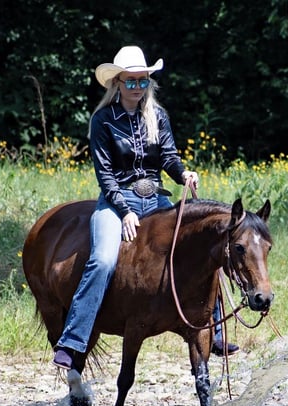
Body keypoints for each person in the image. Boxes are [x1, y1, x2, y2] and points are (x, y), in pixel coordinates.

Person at [53, 45, 238, 371]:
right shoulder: (102, 120)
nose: (137, 87)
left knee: (206, 247)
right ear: (117, 83)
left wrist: (183, 174)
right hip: (115, 201)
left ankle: (215, 330)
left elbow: (168, 156)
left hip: (156, 200)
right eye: (131, 81)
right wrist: (124, 210)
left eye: (142, 81)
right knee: (103, 259)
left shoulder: (158, 115)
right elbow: (105, 174)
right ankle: (73, 341)